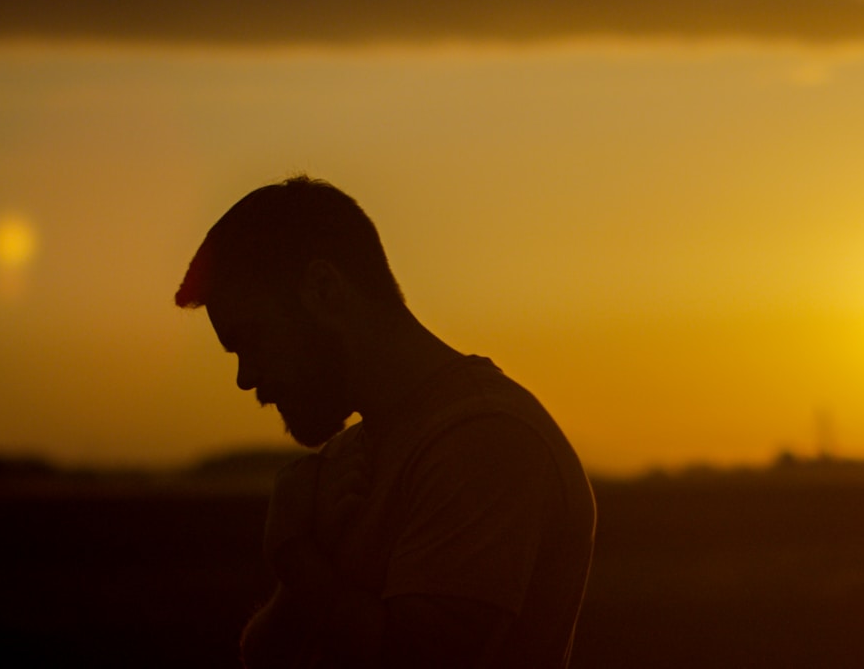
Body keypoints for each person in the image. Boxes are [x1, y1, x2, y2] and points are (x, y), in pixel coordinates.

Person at [175, 176, 595, 668]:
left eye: (253, 338)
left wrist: (294, 556)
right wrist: (300, 569)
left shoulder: (486, 440)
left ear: (324, 289)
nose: (245, 377)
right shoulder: (350, 454)